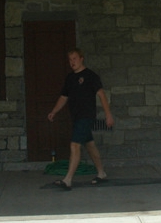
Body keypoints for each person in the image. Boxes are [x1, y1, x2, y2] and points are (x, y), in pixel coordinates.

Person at [47, 48, 114, 190]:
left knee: (75, 145)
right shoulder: (70, 78)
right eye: (70, 60)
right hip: (76, 117)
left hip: (87, 116)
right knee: (89, 144)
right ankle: (101, 173)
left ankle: (68, 179)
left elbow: (101, 95)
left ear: (81, 58)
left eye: (75, 59)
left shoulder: (91, 76)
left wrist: (108, 115)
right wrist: (54, 111)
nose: (72, 62)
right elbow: (63, 97)